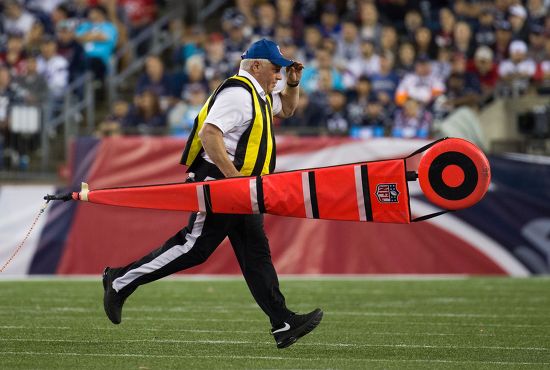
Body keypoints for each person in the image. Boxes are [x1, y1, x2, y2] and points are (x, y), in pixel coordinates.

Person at [101, 39, 323, 349]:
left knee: (255, 253)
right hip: (224, 182)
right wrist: (233, 182)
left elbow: (285, 108)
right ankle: (120, 280)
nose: (278, 75)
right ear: (256, 66)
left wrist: (293, 84)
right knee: (194, 247)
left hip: (238, 186)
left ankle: (282, 321)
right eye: (276, 69)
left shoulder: (256, 94)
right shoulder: (238, 93)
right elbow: (210, 134)